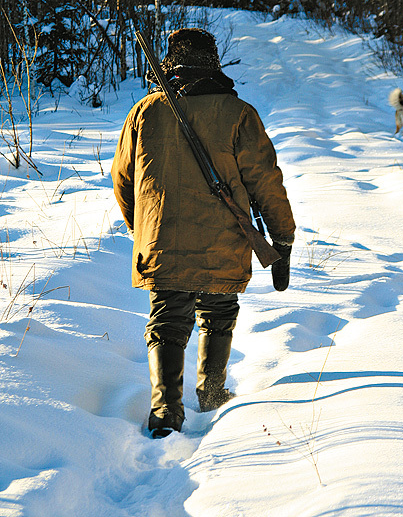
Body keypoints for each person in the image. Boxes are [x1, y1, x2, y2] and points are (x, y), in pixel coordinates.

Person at [111, 28, 295, 438]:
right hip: (224, 239)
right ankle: (211, 395)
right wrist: (282, 239)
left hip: (161, 238)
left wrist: (143, 227)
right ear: (213, 63)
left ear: (171, 63)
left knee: (167, 322)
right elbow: (266, 181)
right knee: (218, 313)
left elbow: (122, 179)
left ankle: (165, 413)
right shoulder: (238, 113)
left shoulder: (144, 111)